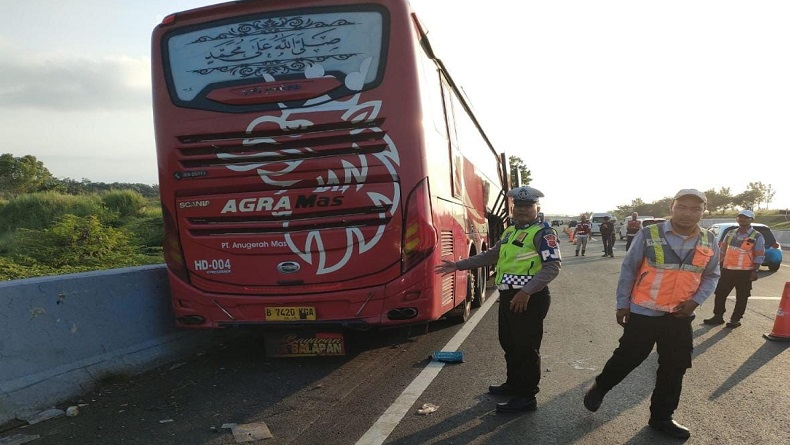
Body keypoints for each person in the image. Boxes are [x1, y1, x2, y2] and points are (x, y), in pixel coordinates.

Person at [583, 189, 720, 439]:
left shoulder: (709, 239)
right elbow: (629, 269)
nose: (688, 213)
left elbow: (711, 275)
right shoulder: (649, 234)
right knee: (627, 358)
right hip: (644, 312)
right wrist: (622, 304)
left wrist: (695, 302)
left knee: (674, 367)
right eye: (682, 207)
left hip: (680, 316)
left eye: (695, 209)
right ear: (672, 207)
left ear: (703, 211)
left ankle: (661, 418)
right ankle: (600, 387)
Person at [435, 185, 561, 413]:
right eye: (518, 206)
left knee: (526, 348)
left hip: (529, 298)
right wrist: (458, 265)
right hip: (509, 295)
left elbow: (552, 267)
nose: (522, 210)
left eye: (528, 206)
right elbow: (491, 255)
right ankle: (514, 384)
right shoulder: (510, 232)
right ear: (513, 208)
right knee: (509, 343)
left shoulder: (544, 233)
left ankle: (526, 397)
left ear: (537, 208)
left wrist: (527, 292)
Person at [703, 209, 764, 329]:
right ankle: (718, 316)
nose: (742, 219)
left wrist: (755, 271)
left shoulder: (757, 236)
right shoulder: (730, 233)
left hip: (745, 272)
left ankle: (735, 319)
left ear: (751, 220)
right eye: (740, 217)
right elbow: (722, 251)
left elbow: (759, 255)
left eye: (746, 217)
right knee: (720, 294)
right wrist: (716, 265)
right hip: (727, 270)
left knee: (742, 296)